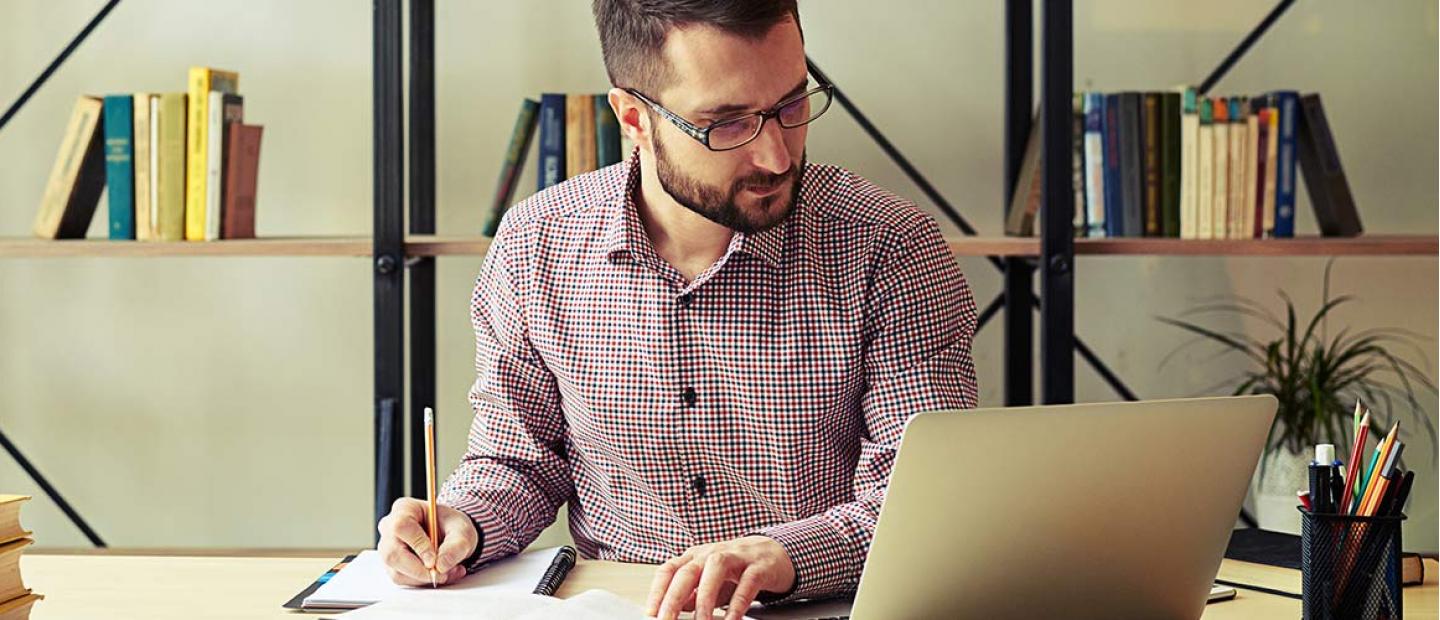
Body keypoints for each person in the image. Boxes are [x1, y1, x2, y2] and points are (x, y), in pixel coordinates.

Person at [377, 1, 978, 618]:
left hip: (821, 608)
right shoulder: (536, 243)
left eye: (792, 106)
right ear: (634, 117)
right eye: (727, 123)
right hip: (623, 606)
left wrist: (785, 556)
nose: (776, 156)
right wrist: (463, 523)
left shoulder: (889, 246)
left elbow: (918, 501)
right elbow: (520, 459)